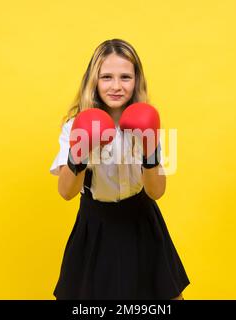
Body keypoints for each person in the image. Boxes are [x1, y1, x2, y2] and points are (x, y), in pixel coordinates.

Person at [50, 38, 190, 300]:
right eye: (107, 77)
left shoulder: (148, 120)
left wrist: (150, 149)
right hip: (95, 223)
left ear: (136, 80)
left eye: (125, 77)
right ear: (94, 80)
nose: (116, 86)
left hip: (141, 220)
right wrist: (79, 152)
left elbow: (157, 191)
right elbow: (66, 192)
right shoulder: (75, 125)